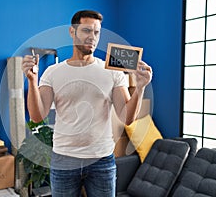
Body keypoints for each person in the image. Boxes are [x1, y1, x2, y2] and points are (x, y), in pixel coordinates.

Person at [21, 10, 152, 197]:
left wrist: (139, 88)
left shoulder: (113, 72)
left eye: (96, 32)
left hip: (102, 160)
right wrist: (32, 82)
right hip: (63, 159)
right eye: (86, 31)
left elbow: (127, 117)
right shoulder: (52, 72)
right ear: (72, 32)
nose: (92, 37)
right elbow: (37, 115)